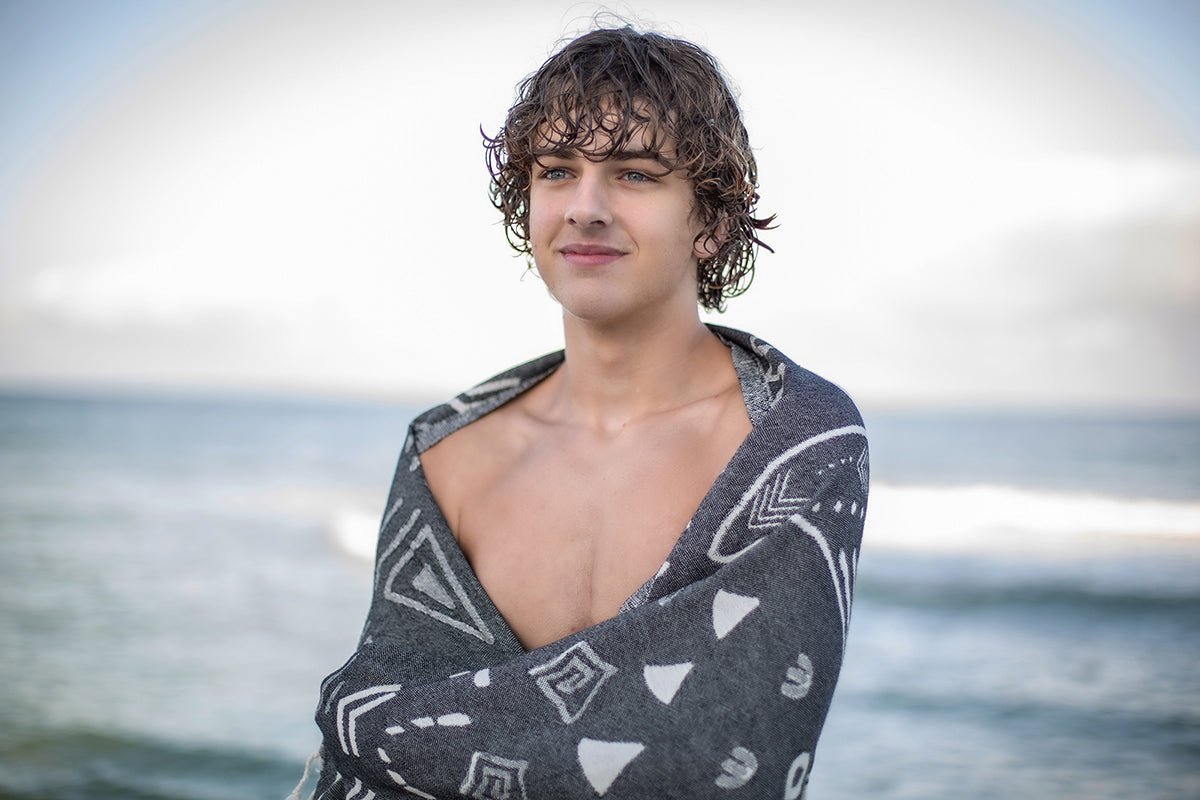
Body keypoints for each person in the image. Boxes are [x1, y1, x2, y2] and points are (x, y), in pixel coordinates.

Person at [305, 24, 868, 799]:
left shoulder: (793, 445)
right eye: (558, 171)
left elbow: (728, 749)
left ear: (710, 221)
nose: (586, 208)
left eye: (634, 175)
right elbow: (378, 721)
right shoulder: (448, 458)